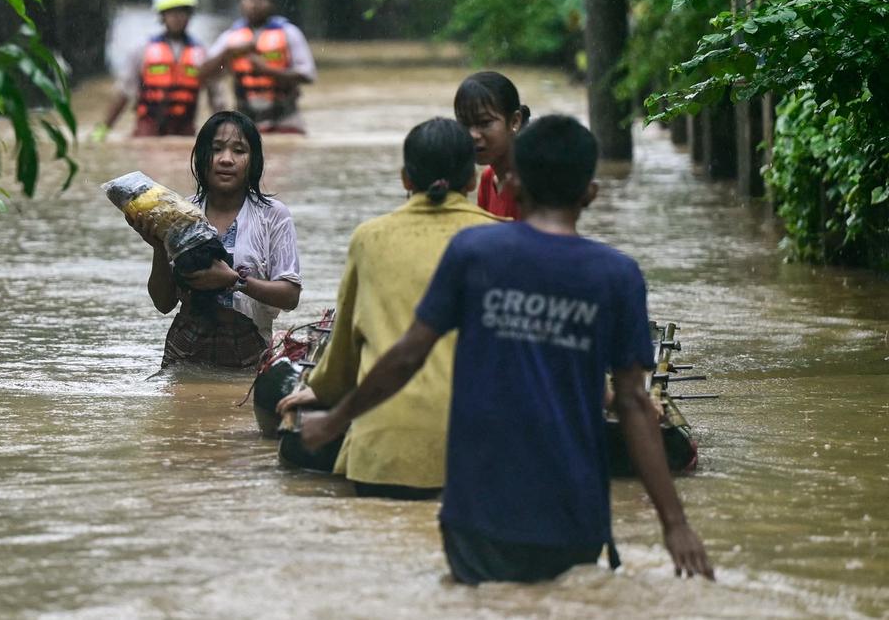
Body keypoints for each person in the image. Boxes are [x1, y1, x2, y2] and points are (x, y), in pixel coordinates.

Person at [300, 115, 713, 583]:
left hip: (478, 510)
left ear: (512, 184)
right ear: (591, 193)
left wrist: (335, 419)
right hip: (573, 510)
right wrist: (675, 525)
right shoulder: (617, 276)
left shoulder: (475, 253)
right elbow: (636, 404)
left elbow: (407, 355)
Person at [276, 119, 499, 499]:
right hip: (479, 453)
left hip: (384, 451)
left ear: (405, 179)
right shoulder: (503, 238)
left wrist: (320, 391)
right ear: (473, 181)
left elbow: (345, 345)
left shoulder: (370, 238)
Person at [130, 111, 302, 369]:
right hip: (185, 350)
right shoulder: (180, 212)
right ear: (201, 157)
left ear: (253, 161)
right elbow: (164, 304)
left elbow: (290, 296)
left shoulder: (273, 215)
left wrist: (235, 281)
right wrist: (158, 246)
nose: (226, 160)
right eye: (216, 149)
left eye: (239, 150)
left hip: (251, 352)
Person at [93, 0, 224, 140]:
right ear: (161, 15)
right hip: (148, 131)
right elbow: (123, 93)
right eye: (171, 12)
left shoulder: (203, 54)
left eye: (182, 11)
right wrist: (104, 129)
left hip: (184, 132)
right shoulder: (141, 50)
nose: (177, 17)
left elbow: (216, 97)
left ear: (190, 14)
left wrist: (223, 130)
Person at [200, 0, 316, 134]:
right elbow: (204, 73)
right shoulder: (230, 38)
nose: (255, 3)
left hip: (285, 117)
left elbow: (308, 74)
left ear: (272, 3)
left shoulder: (289, 33)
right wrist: (228, 53)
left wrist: (268, 71)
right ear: (240, 2)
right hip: (246, 119)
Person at [453, 71, 530, 220]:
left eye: (484, 123)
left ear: (515, 122)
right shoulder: (488, 179)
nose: (473, 135)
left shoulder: (529, 184)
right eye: (465, 124)